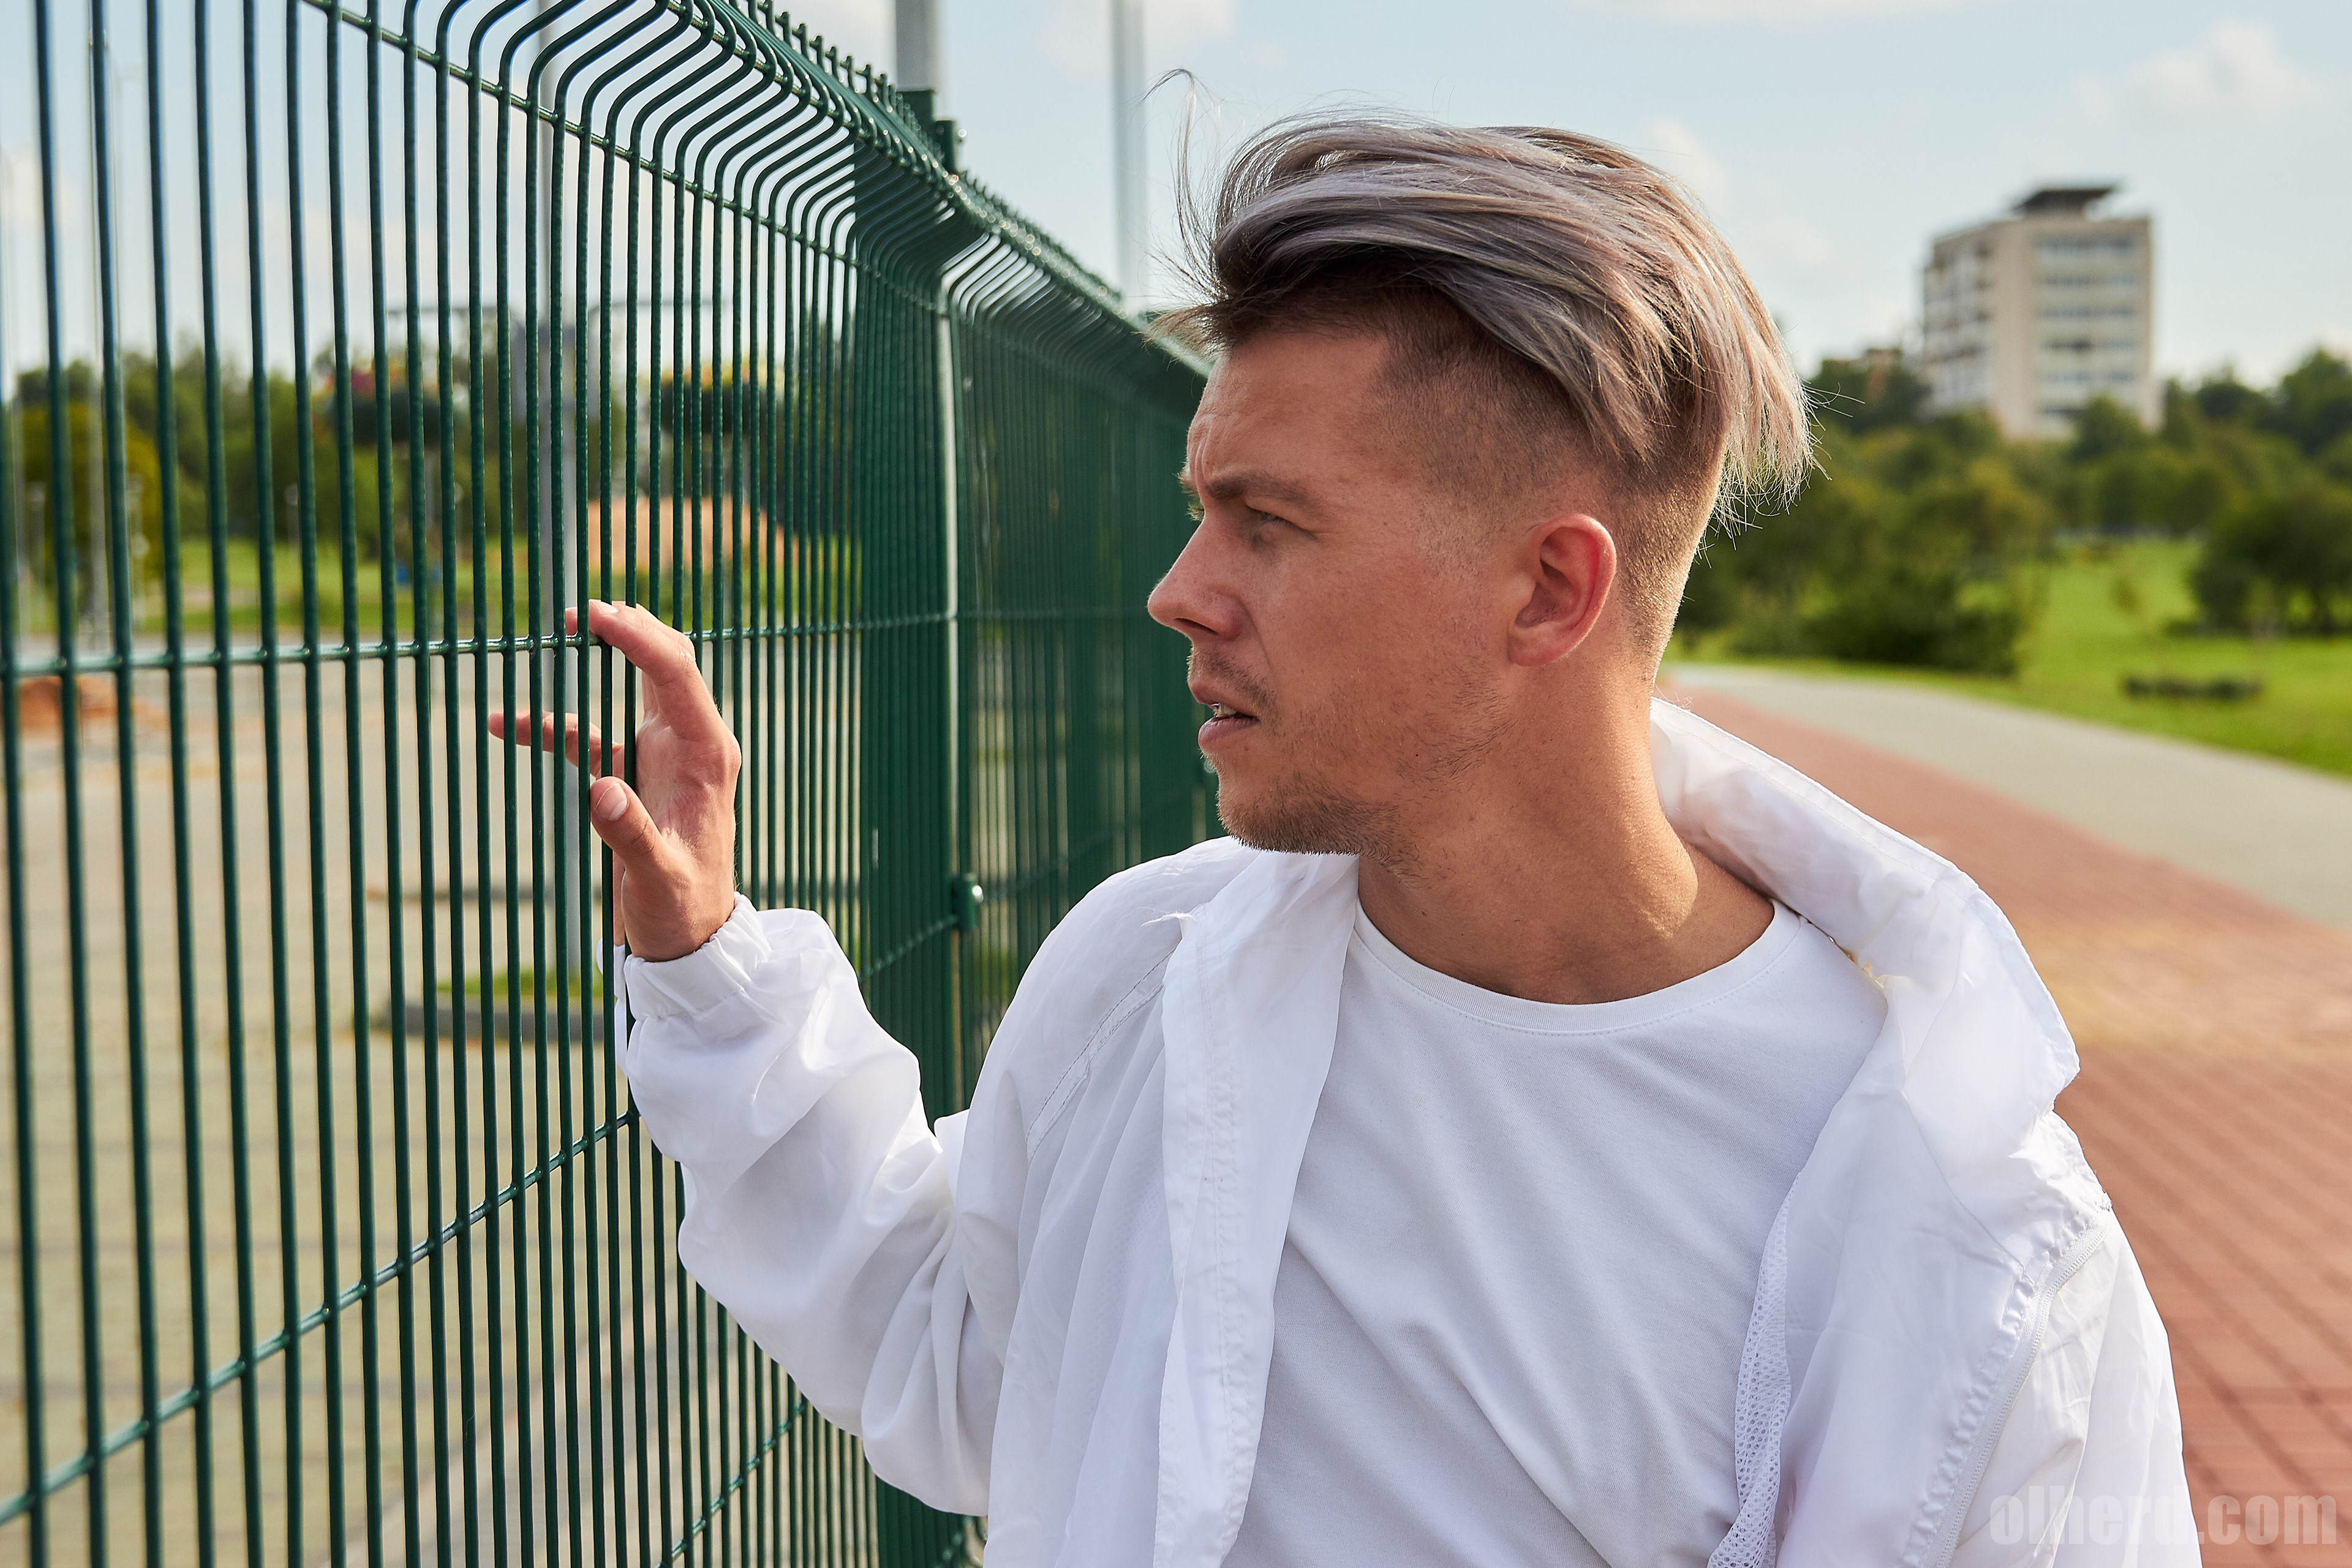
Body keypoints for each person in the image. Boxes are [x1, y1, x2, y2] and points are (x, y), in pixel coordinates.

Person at [496, 119, 2194, 1567]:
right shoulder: (1144, 973)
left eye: (1269, 523)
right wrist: (712, 970)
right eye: (1198, 508)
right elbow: (961, 1373)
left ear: (1549, 588)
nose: (1179, 591)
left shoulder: (1967, 1244)